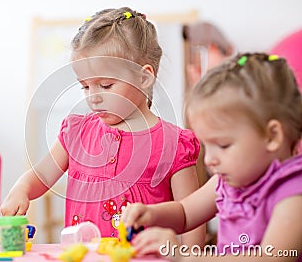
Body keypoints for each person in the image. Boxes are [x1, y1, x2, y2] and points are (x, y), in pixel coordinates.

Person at [0, 7, 205, 245]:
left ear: (144, 77)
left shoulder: (174, 144)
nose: (93, 97)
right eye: (85, 87)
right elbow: (40, 176)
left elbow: (193, 217)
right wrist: (21, 188)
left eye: (105, 85)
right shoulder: (76, 133)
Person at [122, 52, 302, 261]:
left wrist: (183, 256)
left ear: (272, 136)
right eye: (207, 146)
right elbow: (185, 213)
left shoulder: (293, 193)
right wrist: (151, 214)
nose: (209, 160)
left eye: (223, 145)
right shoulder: (228, 182)